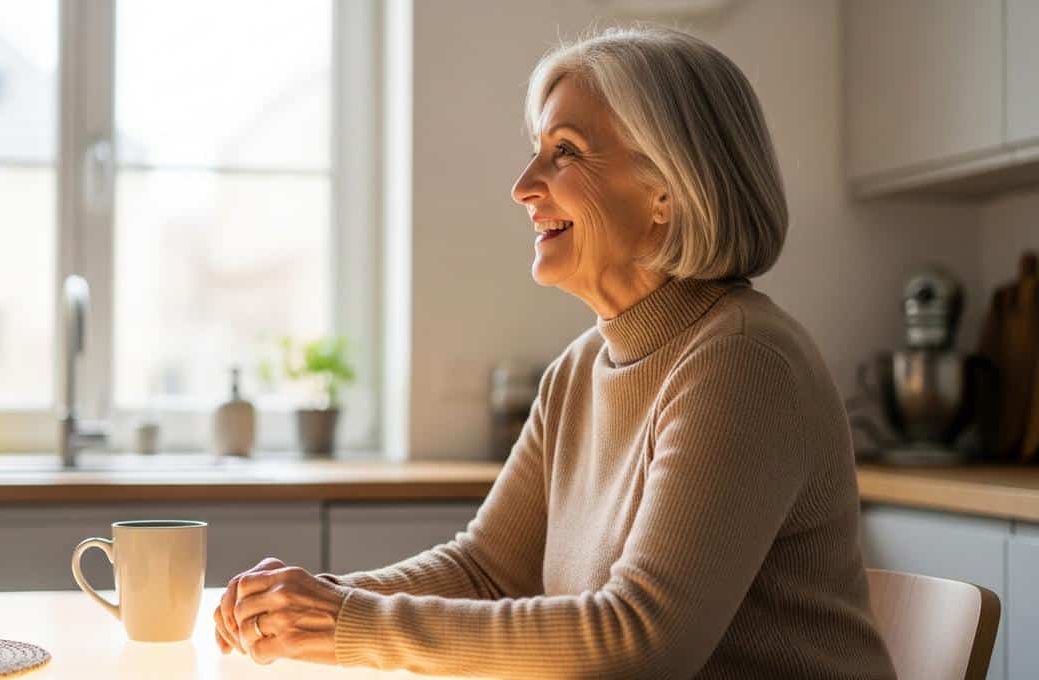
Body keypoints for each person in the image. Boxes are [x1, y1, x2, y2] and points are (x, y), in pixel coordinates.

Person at [213, 24, 897, 679]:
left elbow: (642, 641)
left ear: (666, 188)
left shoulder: (743, 362)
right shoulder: (577, 371)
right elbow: (486, 570)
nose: (524, 186)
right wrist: (311, 606)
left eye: (564, 150)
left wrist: (347, 621)